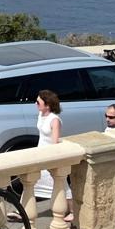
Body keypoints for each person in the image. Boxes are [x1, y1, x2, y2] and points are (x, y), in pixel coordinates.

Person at [36, 89, 73, 220]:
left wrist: (53, 157)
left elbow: (55, 141)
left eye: (38, 102)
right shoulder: (41, 115)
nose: (36, 104)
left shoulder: (54, 120)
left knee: (61, 183)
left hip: (50, 155)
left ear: (47, 105)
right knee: (32, 183)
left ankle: (72, 211)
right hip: (40, 153)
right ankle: (23, 211)